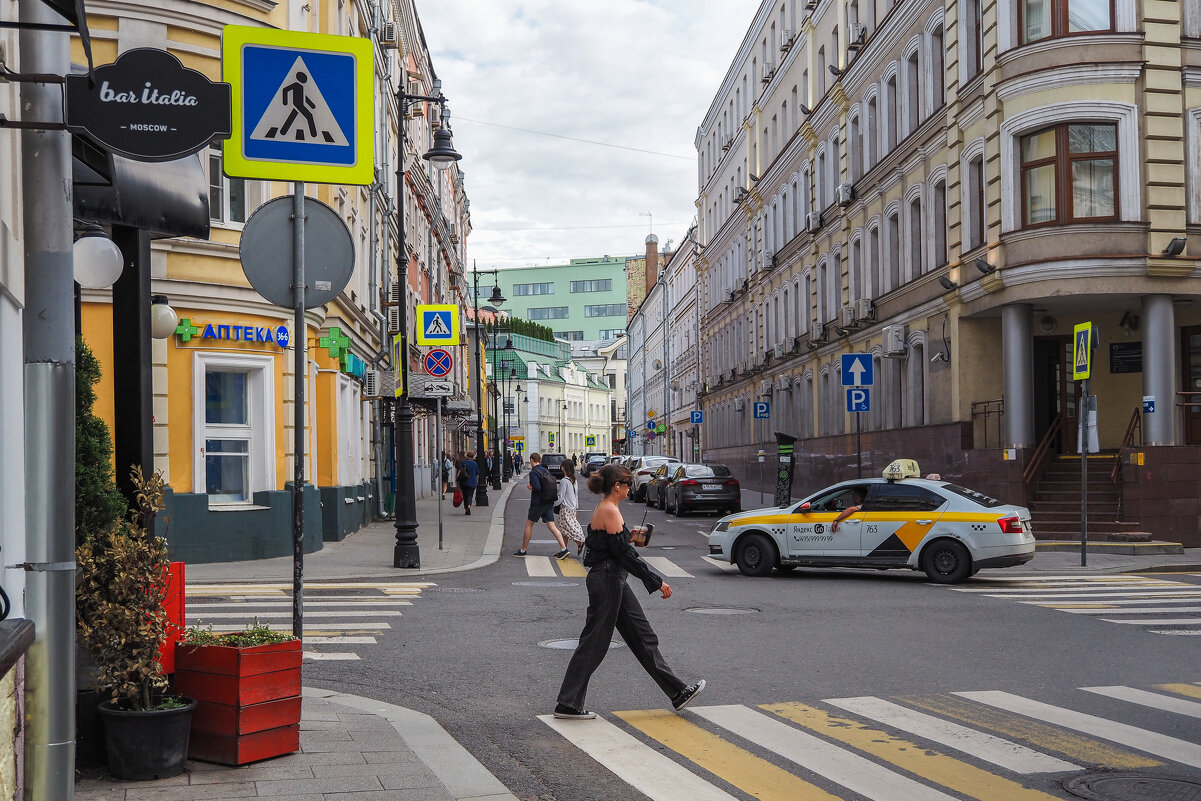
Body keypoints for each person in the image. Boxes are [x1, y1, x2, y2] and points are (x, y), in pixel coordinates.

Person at [553, 463, 705, 720]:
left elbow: (612, 545)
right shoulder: (610, 510)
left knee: (643, 637)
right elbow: (624, 555)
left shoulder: (609, 509)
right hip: (608, 580)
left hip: (614, 580)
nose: (628, 488)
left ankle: (677, 692)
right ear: (617, 486)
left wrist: (631, 537)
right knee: (595, 643)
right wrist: (656, 581)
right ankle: (567, 704)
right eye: (626, 484)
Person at [514, 453, 569, 558]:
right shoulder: (545, 470)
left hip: (538, 503)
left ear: (531, 460)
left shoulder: (534, 472)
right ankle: (564, 548)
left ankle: (523, 550)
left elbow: (537, 487)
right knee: (551, 525)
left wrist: (530, 487)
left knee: (529, 525)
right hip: (549, 501)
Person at [557, 459, 585, 555]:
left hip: (565, 508)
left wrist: (551, 503)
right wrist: (576, 507)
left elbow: (560, 497)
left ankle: (579, 541)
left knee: (564, 528)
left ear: (563, 468)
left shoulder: (564, 481)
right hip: (573, 508)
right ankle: (563, 549)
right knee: (565, 529)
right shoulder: (574, 480)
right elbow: (576, 495)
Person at [457, 451, 479, 516]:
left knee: (465, 495)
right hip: (472, 482)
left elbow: (460, 471)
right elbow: (477, 473)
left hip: (464, 481)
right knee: (470, 495)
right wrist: (476, 481)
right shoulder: (475, 464)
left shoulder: (463, 463)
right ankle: (469, 506)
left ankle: (466, 508)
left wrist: (458, 480)